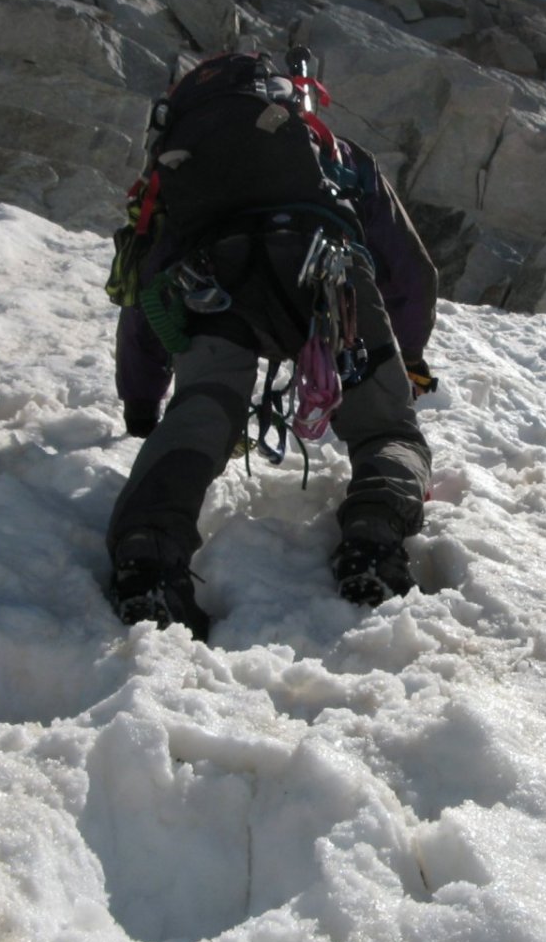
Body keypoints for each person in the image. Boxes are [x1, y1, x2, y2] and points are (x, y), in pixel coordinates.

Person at [107, 55, 438, 637]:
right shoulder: (334, 153)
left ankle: (148, 557)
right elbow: (411, 272)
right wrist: (405, 358)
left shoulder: (185, 170)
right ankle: (373, 537)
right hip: (330, 277)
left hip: (213, 282)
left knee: (201, 414)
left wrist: (141, 404)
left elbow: (147, 295)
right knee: (386, 429)